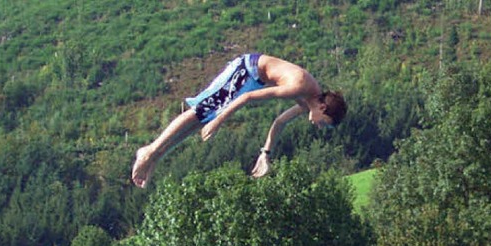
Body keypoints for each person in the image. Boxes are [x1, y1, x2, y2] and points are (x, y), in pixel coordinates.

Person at [131, 53, 347, 188]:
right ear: (322, 107)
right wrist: (219, 121)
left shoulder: (307, 101)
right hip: (246, 70)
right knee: (203, 112)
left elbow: (279, 123)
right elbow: (248, 97)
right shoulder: (300, 87)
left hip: (255, 80)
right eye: (324, 122)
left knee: (203, 118)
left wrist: (266, 154)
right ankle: (150, 151)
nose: (320, 126)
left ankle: (156, 157)